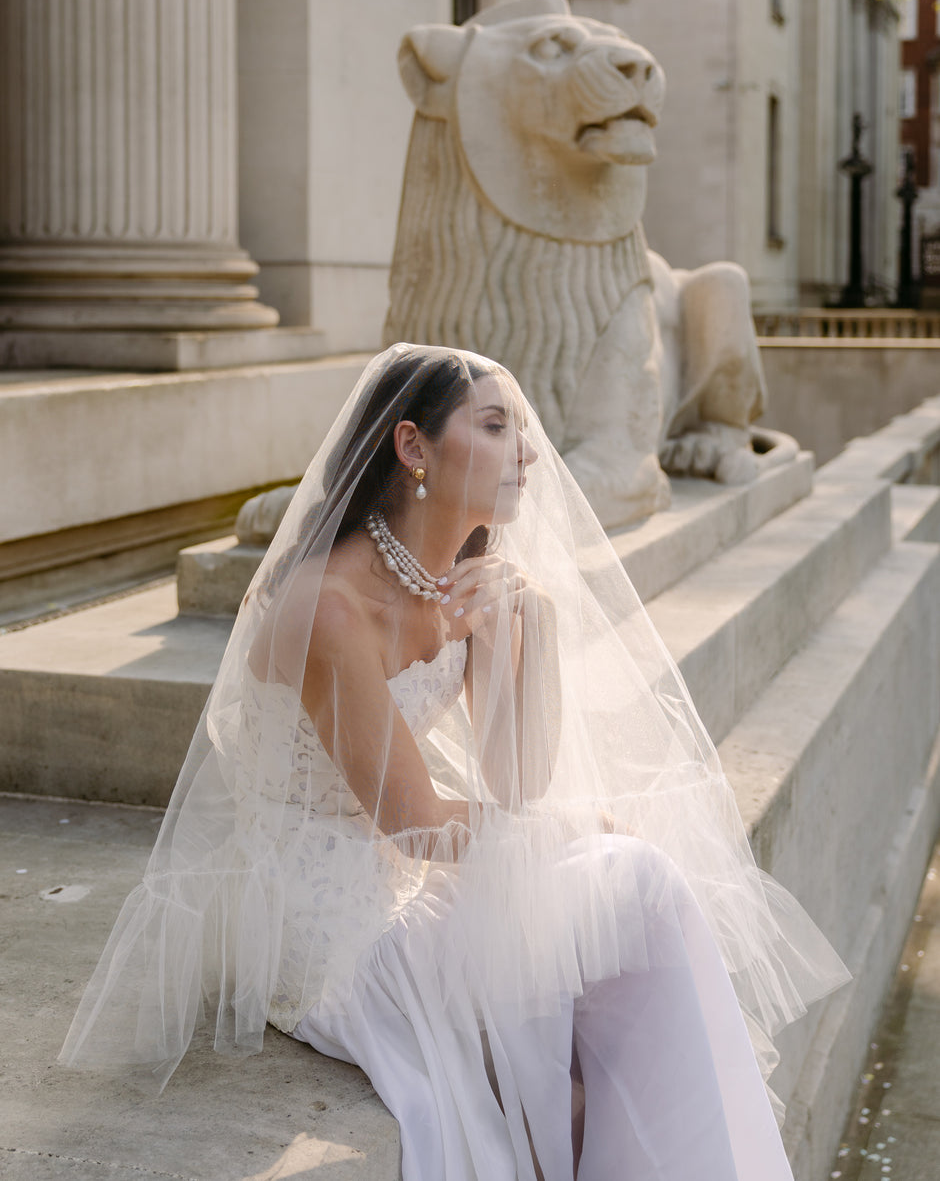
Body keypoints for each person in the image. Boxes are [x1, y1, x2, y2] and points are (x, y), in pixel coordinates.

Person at [60, 345, 849, 1181]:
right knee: (638, 885)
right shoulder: (328, 608)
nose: (531, 452)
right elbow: (415, 828)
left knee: (626, 921)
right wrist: (569, 829)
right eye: (497, 425)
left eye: (523, 429)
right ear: (413, 448)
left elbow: (515, 781)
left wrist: (526, 633)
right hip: (330, 926)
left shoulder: (459, 580)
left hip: (412, 882)